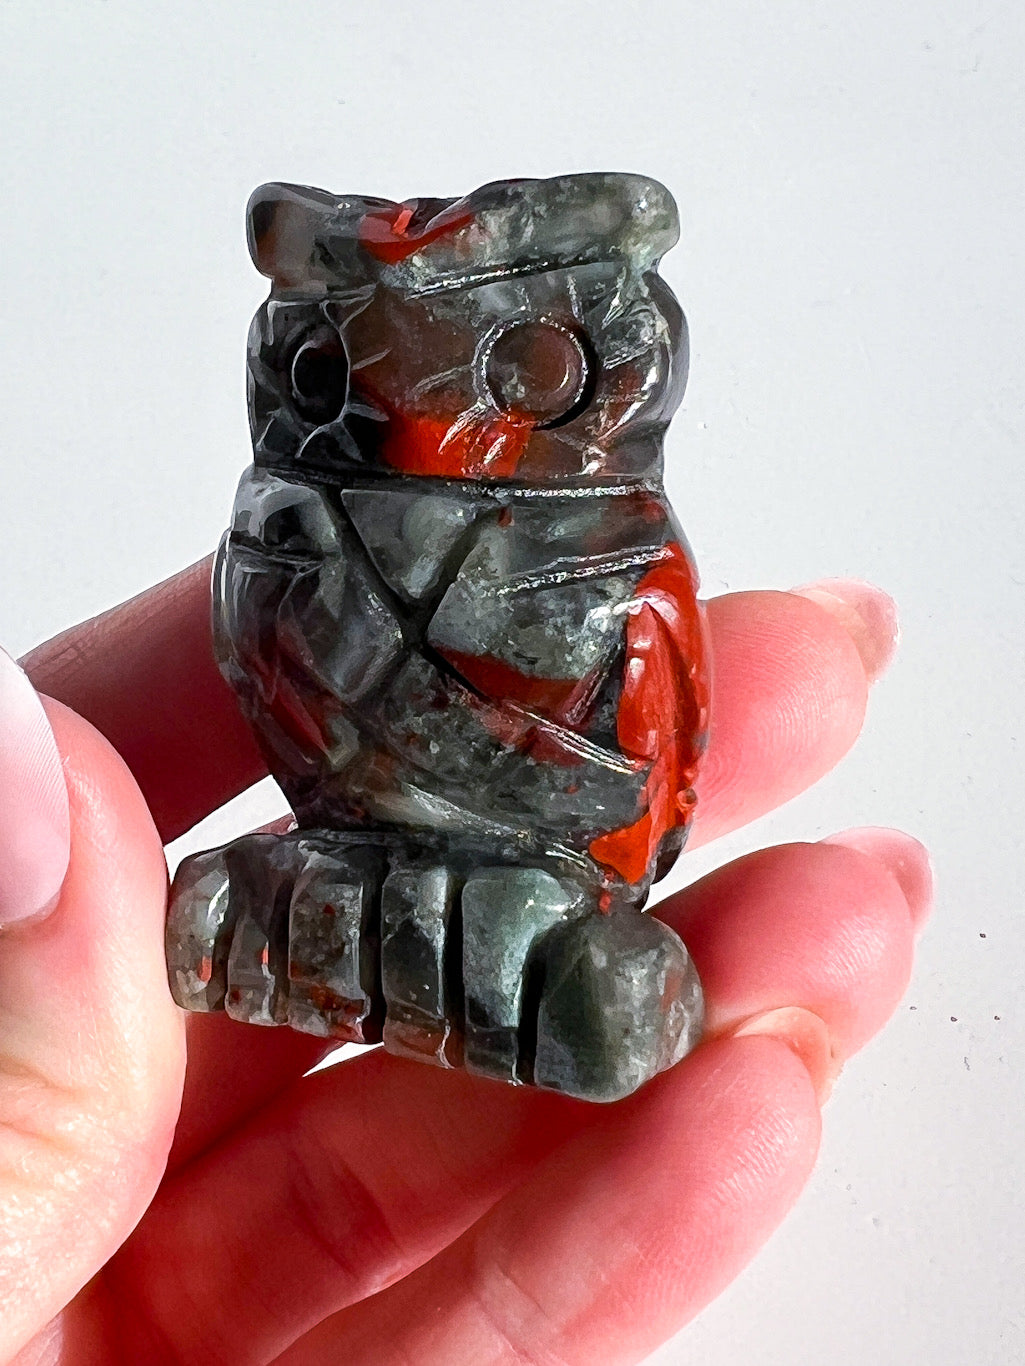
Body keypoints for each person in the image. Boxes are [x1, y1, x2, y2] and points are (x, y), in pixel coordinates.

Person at [0, 560, 930, 1365]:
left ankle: (514, 958)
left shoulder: (612, 558)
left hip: (545, 868)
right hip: (342, 846)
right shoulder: (295, 515)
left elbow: (637, 763)